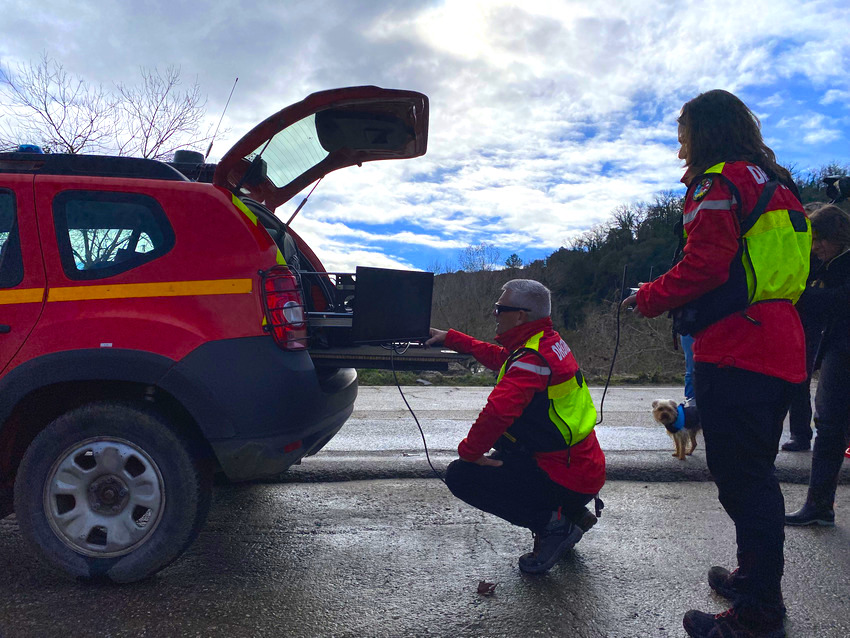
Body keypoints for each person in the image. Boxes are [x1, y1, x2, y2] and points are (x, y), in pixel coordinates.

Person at [622, 89, 811, 638]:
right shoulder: (779, 185)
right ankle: (753, 578)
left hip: (736, 347)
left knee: (743, 483)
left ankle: (758, 612)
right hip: (780, 342)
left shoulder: (717, 183)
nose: (679, 147)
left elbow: (705, 264)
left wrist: (650, 296)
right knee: (755, 475)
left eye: (682, 135)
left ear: (702, 133)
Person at [426, 279, 605, 575]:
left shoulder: (532, 359)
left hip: (565, 474)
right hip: (580, 468)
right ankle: (572, 512)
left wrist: (469, 453)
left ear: (520, 315)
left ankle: (556, 525)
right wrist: (452, 338)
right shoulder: (545, 343)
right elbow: (502, 359)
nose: (494, 314)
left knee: (461, 475)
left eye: (499, 309)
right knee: (504, 450)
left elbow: (497, 412)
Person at [785, 204, 850, 525]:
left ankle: (820, 506)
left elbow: (839, 300)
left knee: (831, 426)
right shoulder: (822, 263)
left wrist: (796, 295)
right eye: (813, 240)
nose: (816, 247)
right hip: (837, 347)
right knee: (829, 426)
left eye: (822, 239)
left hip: (844, 348)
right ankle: (819, 505)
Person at [781, 202, 827, 452]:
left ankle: (826, 433)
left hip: (821, 322)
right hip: (802, 322)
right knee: (799, 380)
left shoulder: (830, 256)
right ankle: (800, 434)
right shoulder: (797, 250)